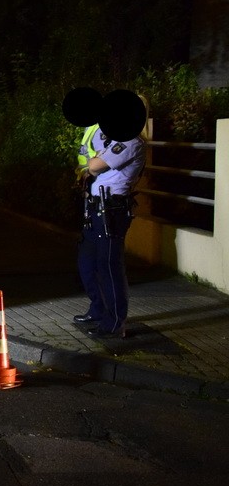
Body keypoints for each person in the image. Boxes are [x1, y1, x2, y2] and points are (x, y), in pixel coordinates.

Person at [73, 91, 147, 338]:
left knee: (108, 266)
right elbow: (91, 165)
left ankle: (114, 323)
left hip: (111, 210)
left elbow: (93, 165)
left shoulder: (129, 142)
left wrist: (93, 163)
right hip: (96, 208)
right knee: (88, 263)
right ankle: (98, 309)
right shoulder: (114, 140)